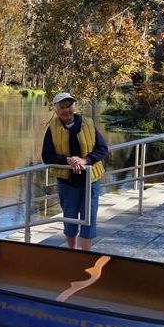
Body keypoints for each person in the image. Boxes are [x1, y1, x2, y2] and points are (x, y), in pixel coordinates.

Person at [41, 92, 108, 251]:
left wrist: (85, 160)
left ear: (74, 107)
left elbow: (102, 149)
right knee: (70, 220)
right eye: (62, 107)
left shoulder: (88, 123)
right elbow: (47, 156)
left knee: (89, 219)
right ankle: (72, 253)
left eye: (69, 106)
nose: (66, 110)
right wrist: (67, 160)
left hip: (90, 181)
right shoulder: (52, 128)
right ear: (56, 110)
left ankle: (85, 256)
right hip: (67, 183)